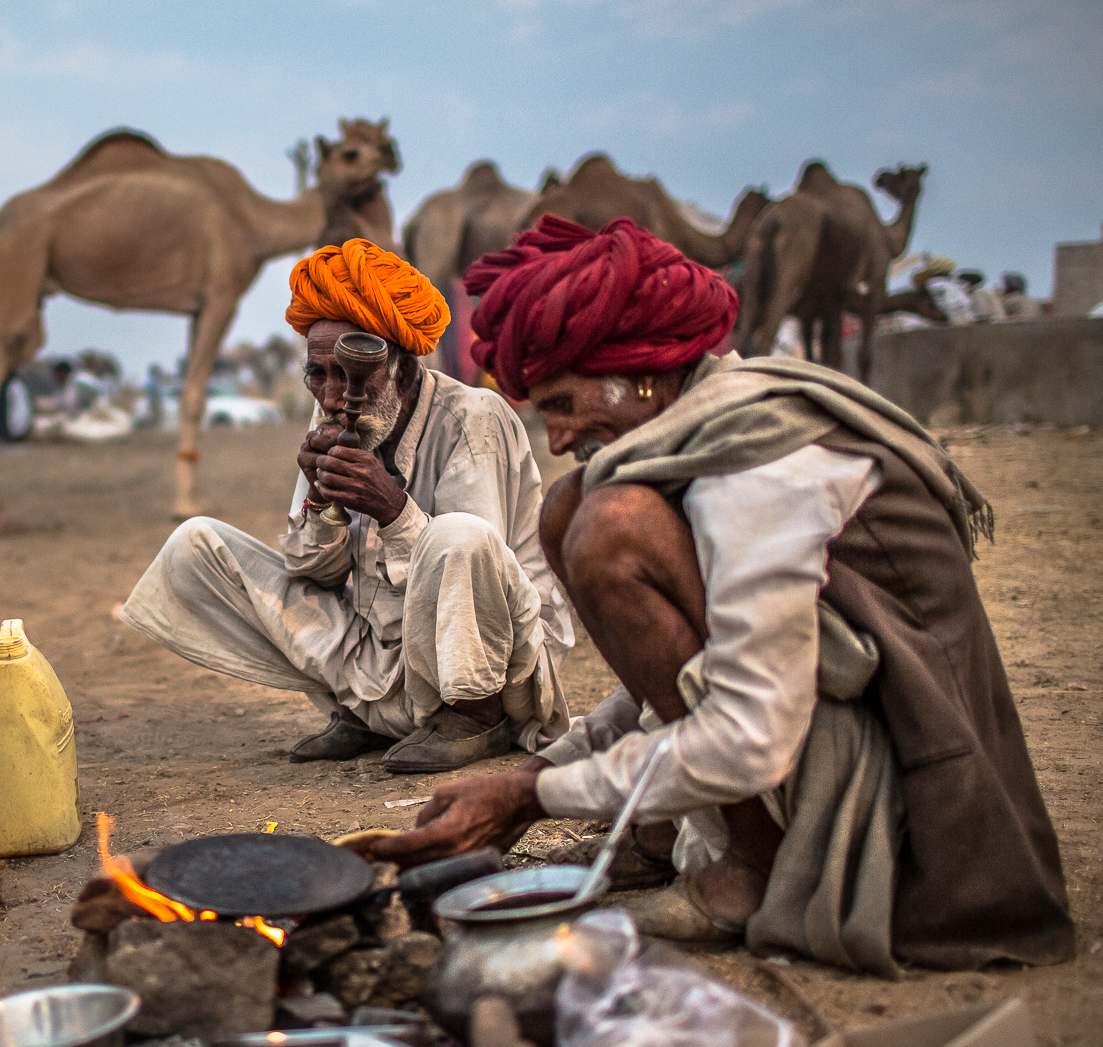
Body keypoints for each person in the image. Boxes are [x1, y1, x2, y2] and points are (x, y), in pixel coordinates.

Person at [372, 216, 1074, 975]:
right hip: (813, 715)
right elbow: (670, 680)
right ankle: (662, 835)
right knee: (572, 503)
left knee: (609, 526)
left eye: (564, 405)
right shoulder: (704, 427)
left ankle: (753, 868)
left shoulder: (757, 468)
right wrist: (527, 777)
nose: (560, 437)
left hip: (911, 791)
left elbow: (747, 732)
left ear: (639, 375)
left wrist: (536, 800)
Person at [121, 238, 572, 773]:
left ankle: (475, 720)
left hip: (492, 669)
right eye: (320, 375)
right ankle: (364, 713)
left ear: (402, 368)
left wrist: (391, 508)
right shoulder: (332, 417)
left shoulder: (474, 419)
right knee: (195, 546)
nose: (334, 396)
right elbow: (314, 572)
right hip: (382, 657)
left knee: (458, 535)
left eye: (354, 374)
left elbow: (472, 575)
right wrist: (319, 499)